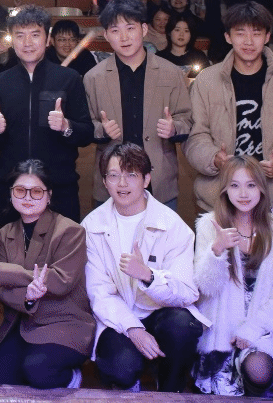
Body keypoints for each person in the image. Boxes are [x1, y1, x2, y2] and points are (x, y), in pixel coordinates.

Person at [82, 142, 206, 392]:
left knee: (183, 327)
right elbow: (99, 294)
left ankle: (170, 390)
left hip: (160, 312)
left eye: (131, 175)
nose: (122, 184)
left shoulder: (172, 225)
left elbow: (187, 291)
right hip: (116, 319)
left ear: (146, 179)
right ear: (104, 181)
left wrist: (148, 276)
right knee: (121, 366)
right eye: (113, 175)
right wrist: (133, 328)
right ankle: (128, 384)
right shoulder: (91, 226)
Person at [185, 1, 273, 217]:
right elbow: (194, 135)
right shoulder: (207, 80)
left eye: (256, 33)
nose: (248, 41)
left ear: (267, 37)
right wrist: (213, 158)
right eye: (240, 33)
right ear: (228, 37)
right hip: (218, 197)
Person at [192, 155, 273, 397]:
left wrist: (253, 329)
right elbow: (205, 288)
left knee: (259, 370)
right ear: (225, 190)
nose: (243, 193)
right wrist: (217, 250)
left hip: (264, 329)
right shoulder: (209, 225)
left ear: (262, 189)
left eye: (251, 185)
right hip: (222, 333)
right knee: (224, 388)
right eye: (235, 185)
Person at [0, 159, 94, 389]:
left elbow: (60, 281)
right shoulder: (5, 233)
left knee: (37, 371)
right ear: (11, 194)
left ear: (49, 195)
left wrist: (6, 271)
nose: (28, 197)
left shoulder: (71, 231)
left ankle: (72, 378)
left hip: (63, 323)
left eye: (37, 191)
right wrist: (27, 297)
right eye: (20, 190)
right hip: (22, 323)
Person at [0, 6, 94, 223]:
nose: (27, 43)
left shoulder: (69, 79)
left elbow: (86, 133)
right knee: (11, 245)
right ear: (12, 40)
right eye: (20, 36)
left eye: (35, 35)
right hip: (13, 189)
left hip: (59, 188)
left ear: (47, 38)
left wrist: (66, 126)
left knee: (63, 244)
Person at [83, 0, 193, 208]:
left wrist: (174, 128)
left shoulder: (171, 73)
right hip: (111, 183)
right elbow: (85, 125)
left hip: (159, 181)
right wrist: (101, 130)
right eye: (115, 30)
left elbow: (186, 119)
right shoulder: (93, 78)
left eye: (130, 28)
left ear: (143, 29)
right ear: (106, 35)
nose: (124, 37)